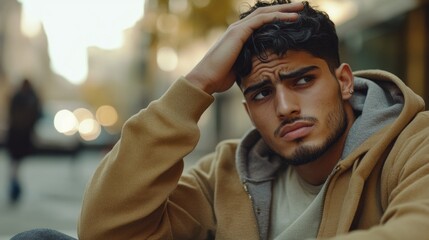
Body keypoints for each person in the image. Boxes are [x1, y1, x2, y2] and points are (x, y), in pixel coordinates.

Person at [11, 0, 429, 239]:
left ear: (343, 81)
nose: (284, 107)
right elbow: (105, 230)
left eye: (302, 80)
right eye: (262, 93)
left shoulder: (412, 143)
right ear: (247, 110)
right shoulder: (227, 173)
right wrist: (197, 84)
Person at [6, 78, 41, 203]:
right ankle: (15, 186)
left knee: (15, 163)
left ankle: (15, 186)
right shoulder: (31, 98)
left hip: (18, 134)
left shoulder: (22, 97)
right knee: (17, 163)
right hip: (21, 134)